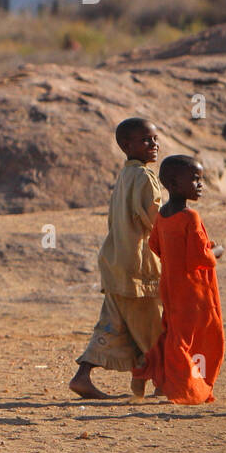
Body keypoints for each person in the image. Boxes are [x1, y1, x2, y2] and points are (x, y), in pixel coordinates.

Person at [69, 118, 164, 400]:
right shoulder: (145, 178)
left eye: (155, 139)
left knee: (112, 326)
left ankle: (82, 376)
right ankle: (163, 381)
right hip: (138, 269)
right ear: (126, 145)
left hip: (114, 265)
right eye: (146, 140)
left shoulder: (125, 175)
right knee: (153, 329)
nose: (154, 145)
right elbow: (156, 221)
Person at [139, 155, 225, 404]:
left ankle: (166, 381)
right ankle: (187, 387)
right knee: (200, 337)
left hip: (171, 287)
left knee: (176, 333)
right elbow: (200, 258)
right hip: (194, 291)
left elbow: (156, 245)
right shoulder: (190, 217)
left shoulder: (163, 215)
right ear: (175, 184)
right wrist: (216, 250)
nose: (201, 184)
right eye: (195, 179)